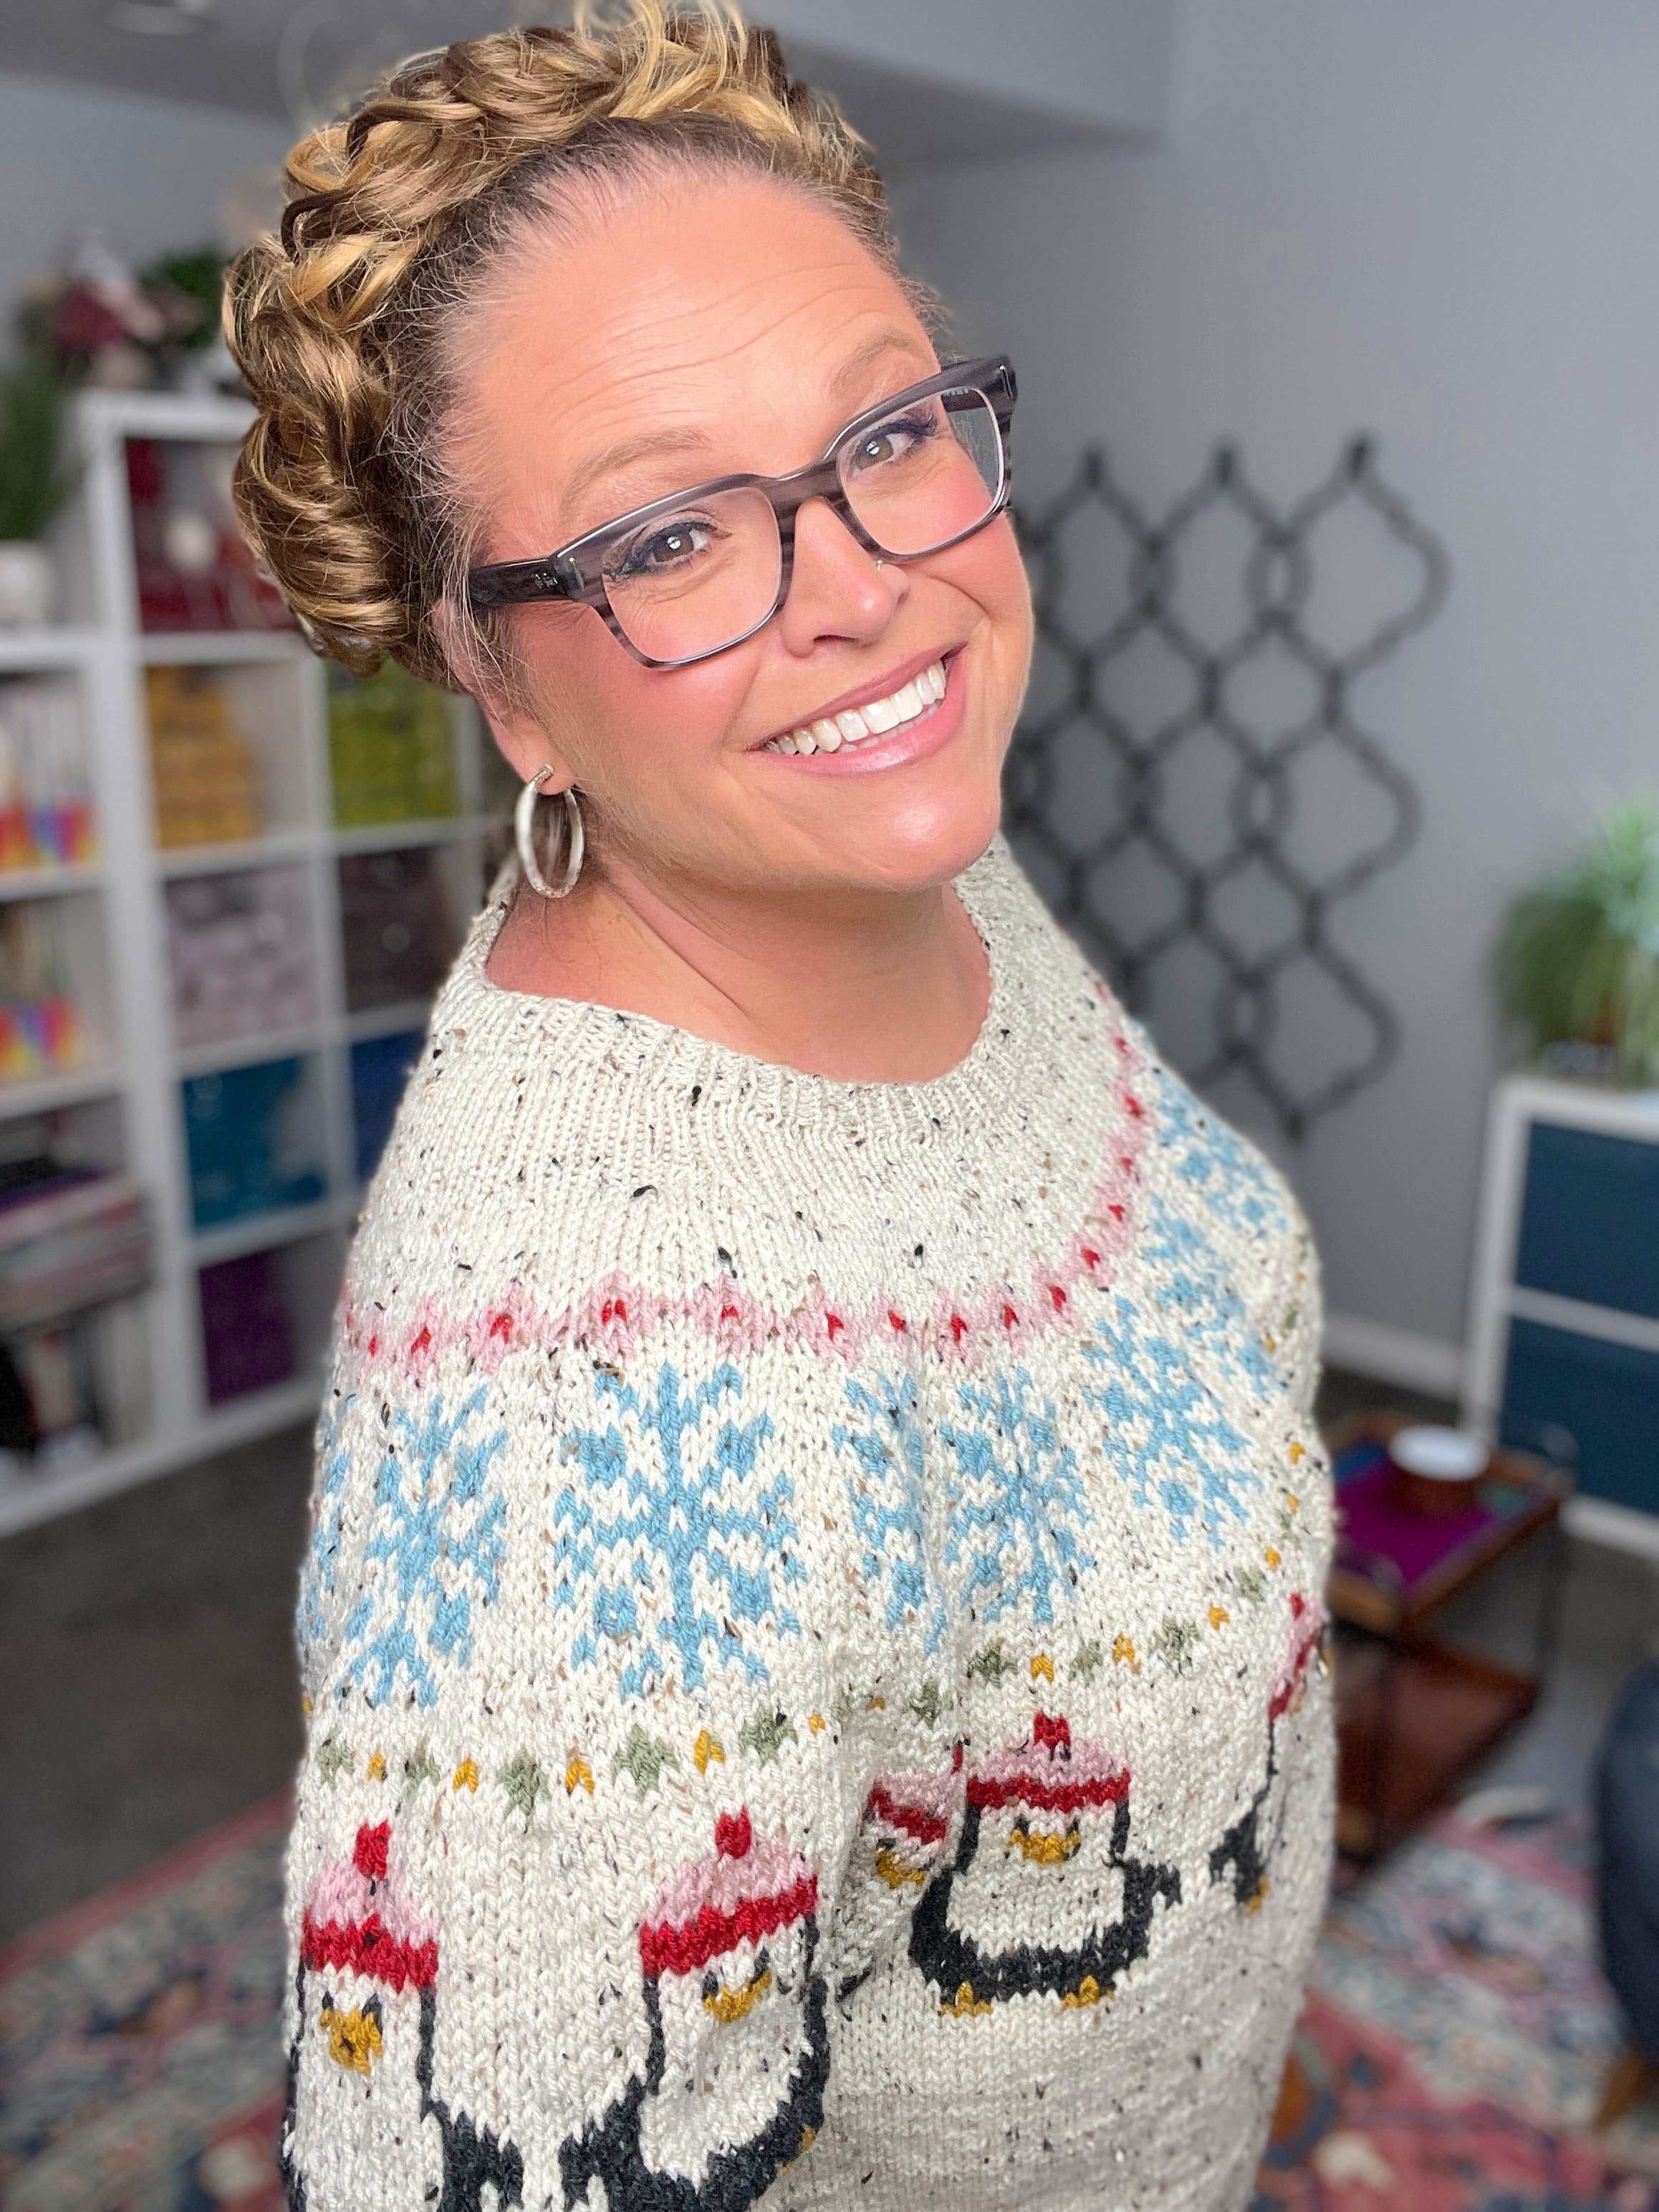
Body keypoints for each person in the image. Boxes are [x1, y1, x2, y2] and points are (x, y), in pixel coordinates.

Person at [228, 5, 1335, 2205]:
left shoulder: (933, 870)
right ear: (489, 673)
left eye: (891, 434)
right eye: (664, 543)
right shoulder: (591, 1400)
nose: (862, 589)